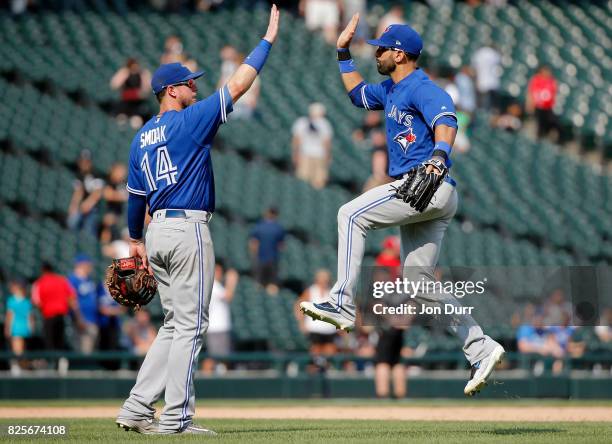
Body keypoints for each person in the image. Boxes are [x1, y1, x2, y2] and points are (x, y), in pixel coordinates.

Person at [299, 16, 505, 397]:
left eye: (381, 48)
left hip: (426, 182)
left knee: (350, 214)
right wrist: (342, 52)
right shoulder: (390, 90)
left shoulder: (422, 87)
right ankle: (481, 346)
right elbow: (357, 95)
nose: (376, 52)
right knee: (418, 282)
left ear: (400, 53)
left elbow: (446, 119)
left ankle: (342, 302)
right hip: (429, 193)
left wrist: (440, 156)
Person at [116, 5, 279, 435]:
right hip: (187, 229)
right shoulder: (189, 121)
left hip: (155, 234)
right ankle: (177, 417)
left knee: (173, 324)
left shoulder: (140, 138)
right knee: (192, 324)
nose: (194, 86)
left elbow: (135, 199)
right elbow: (238, 85)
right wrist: (266, 43)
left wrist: (136, 240)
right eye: (188, 82)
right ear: (171, 91)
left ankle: (135, 408)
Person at [202, 261, 239, 374]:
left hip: (222, 329)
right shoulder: (212, 285)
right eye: (215, 270)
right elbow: (228, 296)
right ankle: (204, 380)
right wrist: (232, 281)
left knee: (223, 359)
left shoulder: (218, 285)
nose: (218, 273)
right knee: (213, 358)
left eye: (219, 270)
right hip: (216, 329)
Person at [295, 269, 338, 358]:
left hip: (329, 329)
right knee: (315, 352)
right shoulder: (311, 291)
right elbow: (299, 305)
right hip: (314, 328)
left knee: (330, 351)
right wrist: (301, 323)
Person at [291, 102, 334, 189]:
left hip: (316, 155)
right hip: (307, 154)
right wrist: (295, 154)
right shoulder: (303, 122)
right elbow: (296, 140)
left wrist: (295, 154)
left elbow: (327, 143)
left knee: (317, 182)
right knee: (304, 180)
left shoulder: (324, 124)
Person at [67, 254, 103, 354]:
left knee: (91, 351)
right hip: (81, 321)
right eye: (88, 265)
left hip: (92, 320)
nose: (90, 267)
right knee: (83, 351)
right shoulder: (73, 280)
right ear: (81, 265)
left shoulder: (89, 280)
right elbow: (72, 301)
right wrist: (79, 319)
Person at [67, 150, 105, 236]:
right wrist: (74, 206)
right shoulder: (79, 174)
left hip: (94, 209)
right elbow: (78, 191)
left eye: (86, 161)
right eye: (81, 161)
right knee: (72, 222)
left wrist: (87, 204)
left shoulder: (96, 174)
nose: (83, 164)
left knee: (88, 230)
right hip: (82, 207)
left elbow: (97, 193)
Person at [248, 207, 286, 295]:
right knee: (272, 287)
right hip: (273, 260)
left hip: (260, 259)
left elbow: (253, 243)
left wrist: (254, 255)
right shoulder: (279, 228)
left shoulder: (259, 226)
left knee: (258, 285)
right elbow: (281, 246)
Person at [217, 46, 260, 119]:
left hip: (245, 103)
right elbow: (221, 82)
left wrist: (254, 99)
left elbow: (256, 87)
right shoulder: (227, 66)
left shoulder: (250, 69)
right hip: (230, 101)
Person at [110, 58, 152, 125]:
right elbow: (114, 85)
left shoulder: (142, 74)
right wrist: (124, 74)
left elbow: (148, 88)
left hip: (138, 102)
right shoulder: (125, 73)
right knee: (121, 119)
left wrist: (144, 77)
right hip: (126, 102)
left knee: (137, 121)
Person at [4, 279, 34, 374]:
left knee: (17, 349)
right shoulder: (26, 301)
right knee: (21, 348)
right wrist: (31, 327)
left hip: (16, 327)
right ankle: (21, 365)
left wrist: (7, 328)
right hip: (24, 327)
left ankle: (18, 365)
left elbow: (10, 316)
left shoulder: (12, 301)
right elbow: (30, 317)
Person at [526, 65, 559, 141]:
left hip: (548, 108)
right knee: (538, 126)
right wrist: (530, 105)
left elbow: (554, 93)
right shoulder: (536, 79)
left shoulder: (552, 81)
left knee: (549, 123)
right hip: (538, 107)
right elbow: (531, 93)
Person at [471, 43, 501, 111]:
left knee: (483, 107)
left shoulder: (479, 53)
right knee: (490, 107)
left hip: (481, 82)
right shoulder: (494, 53)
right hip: (493, 83)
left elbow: (474, 69)